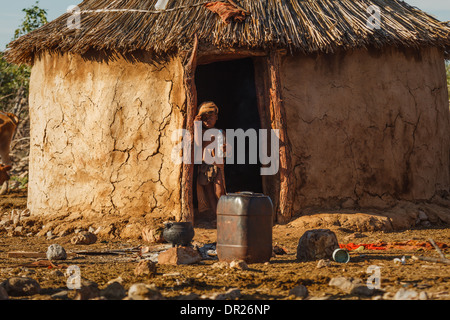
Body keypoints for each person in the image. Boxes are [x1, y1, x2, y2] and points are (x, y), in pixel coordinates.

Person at [194, 101, 227, 219]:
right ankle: (217, 216)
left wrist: (226, 148)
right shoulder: (201, 133)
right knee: (209, 193)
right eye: (204, 118)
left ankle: (223, 215)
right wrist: (197, 125)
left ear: (216, 117)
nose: (207, 121)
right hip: (205, 166)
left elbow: (228, 149)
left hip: (217, 166)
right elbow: (197, 144)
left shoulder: (220, 133)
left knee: (219, 191)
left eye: (210, 117)